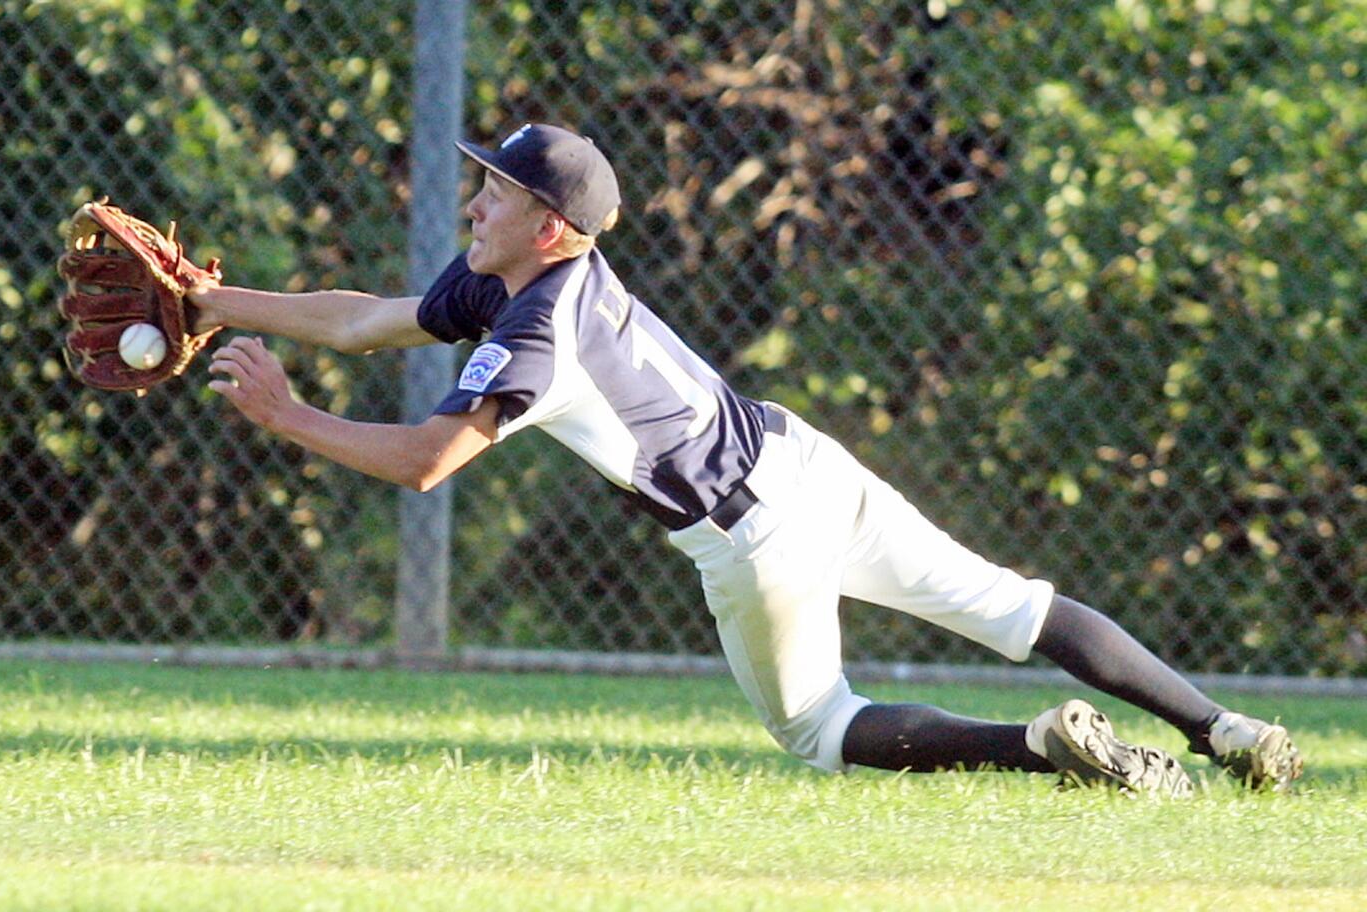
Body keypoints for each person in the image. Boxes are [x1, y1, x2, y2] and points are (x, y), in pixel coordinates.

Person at [195, 122, 1303, 794]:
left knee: (817, 728)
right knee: (1014, 606)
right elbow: (361, 321)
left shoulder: (537, 330)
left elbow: (430, 461)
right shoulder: (511, 279)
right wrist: (208, 302)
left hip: (747, 529)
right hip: (799, 460)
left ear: (551, 229)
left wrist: (288, 417)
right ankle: (1225, 728)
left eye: (500, 190)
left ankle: (1034, 747)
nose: (476, 198)